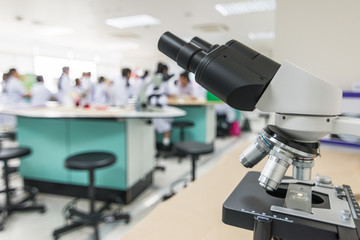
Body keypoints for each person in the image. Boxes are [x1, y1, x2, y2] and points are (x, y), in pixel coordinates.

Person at [150, 62, 174, 149]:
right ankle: (165, 147)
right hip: (160, 106)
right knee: (167, 127)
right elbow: (169, 93)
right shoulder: (163, 81)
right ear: (165, 70)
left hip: (153, 105)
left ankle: (155, 149)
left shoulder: (153, 78)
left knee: (153, 129)